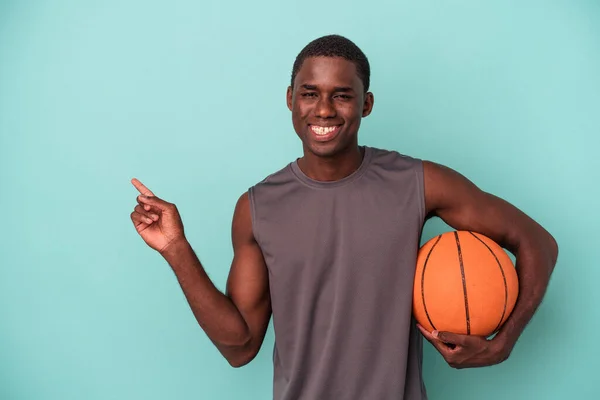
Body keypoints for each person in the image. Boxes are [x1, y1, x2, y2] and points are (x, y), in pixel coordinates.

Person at [129, 35, 558, 400]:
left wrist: (503, 344)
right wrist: (175, 249)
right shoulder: (257, 208)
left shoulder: (419, 183)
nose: (324, 110)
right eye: (310, 93)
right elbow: (240, 347)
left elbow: (537, 242)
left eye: (342, 95)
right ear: (290, 99)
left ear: (366, 103)